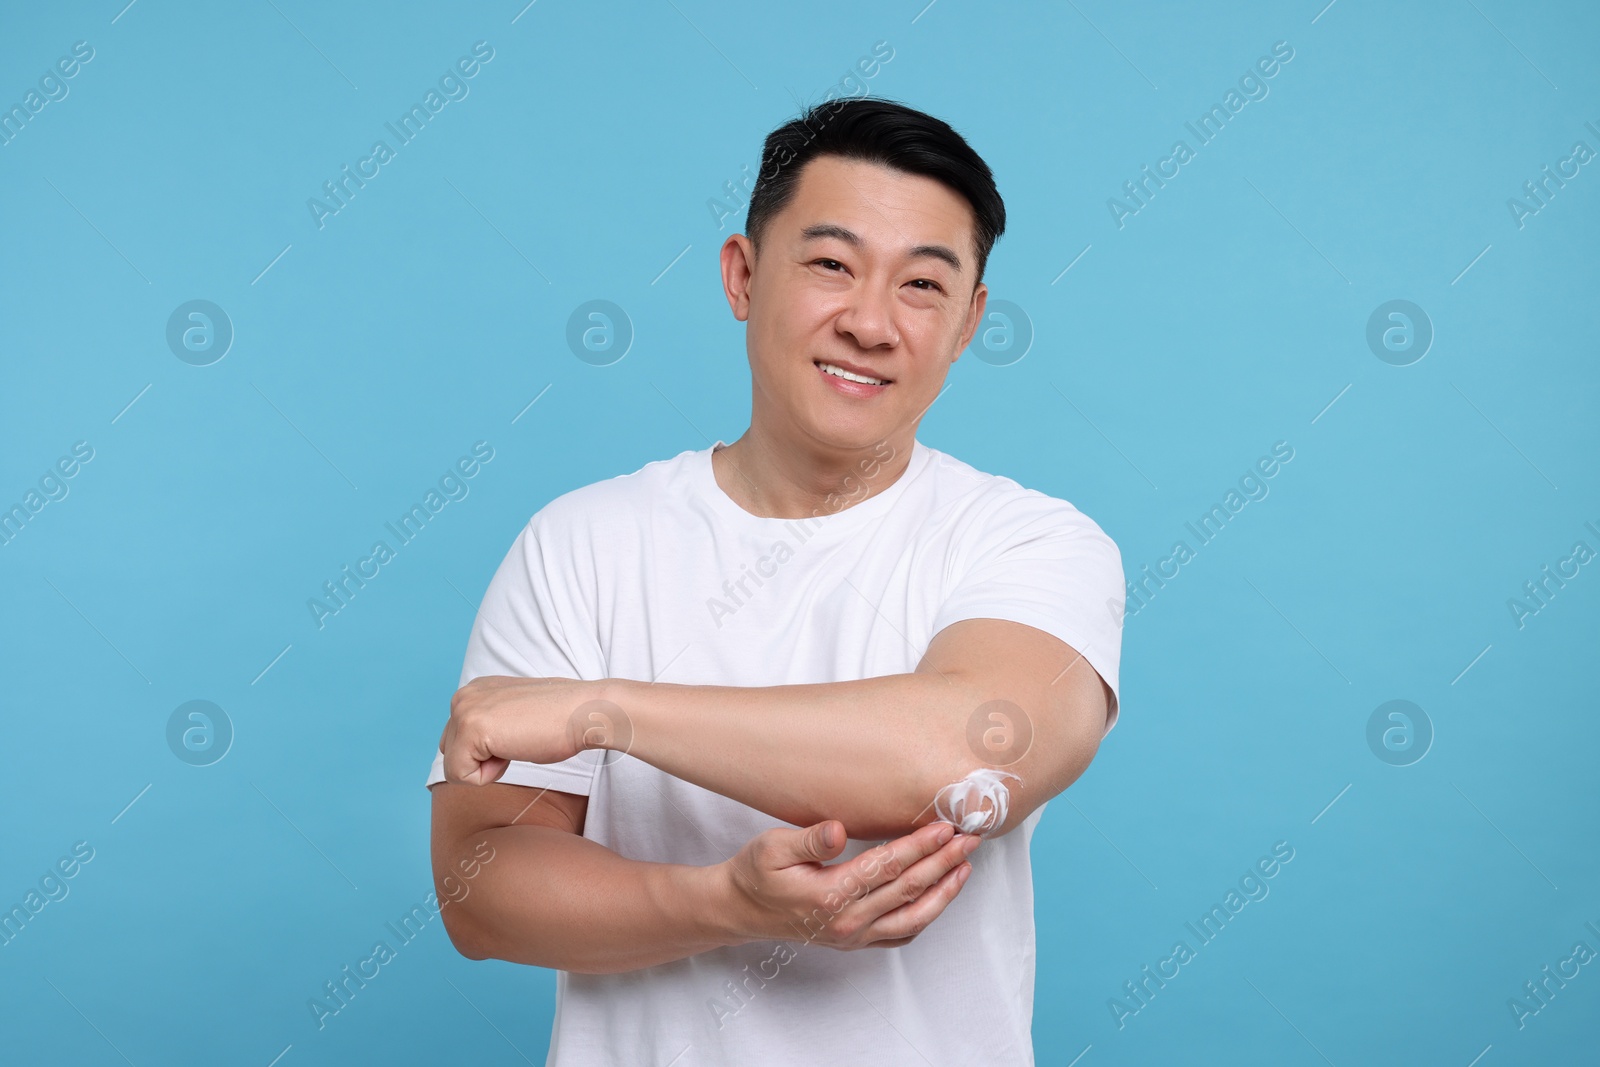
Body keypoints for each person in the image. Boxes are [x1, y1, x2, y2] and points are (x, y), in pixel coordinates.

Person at [427, 97, 1125, 1066]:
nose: (871, 321)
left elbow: (961, 751)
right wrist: (718, 902)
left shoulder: (1031, 542)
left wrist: (603, 712)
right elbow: (479, 886)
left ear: (967, 323)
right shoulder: (581, 540)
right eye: (832, 264)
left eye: (923, 285)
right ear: (743, 275)